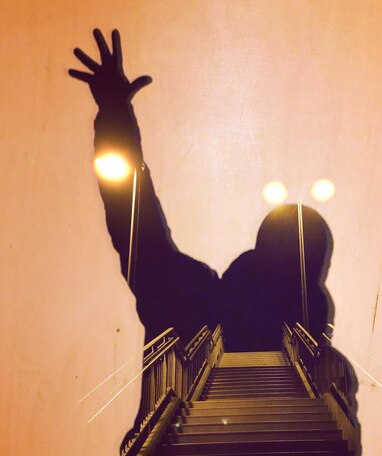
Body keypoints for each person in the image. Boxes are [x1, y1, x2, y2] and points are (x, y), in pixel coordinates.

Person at [69, 28, 333, 350]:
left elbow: (134, 220)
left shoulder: (188, 298)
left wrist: (114, 113)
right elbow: (135, 219)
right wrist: (114, 113)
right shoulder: (191, 298)